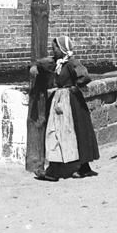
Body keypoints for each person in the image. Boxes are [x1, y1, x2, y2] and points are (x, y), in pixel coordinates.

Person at [32, 36, 100, 181]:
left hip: (70, 100)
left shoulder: (71, 63)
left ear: (62, 49)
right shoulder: (58, 62)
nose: (53, 50)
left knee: (67, 130)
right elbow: (44, 63)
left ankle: (56, 171)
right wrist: (35, 65)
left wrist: (76, 86)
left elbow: (85, 76)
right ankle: (68, 167)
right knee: (60, 131)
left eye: (55, 48)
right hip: (61, 98)